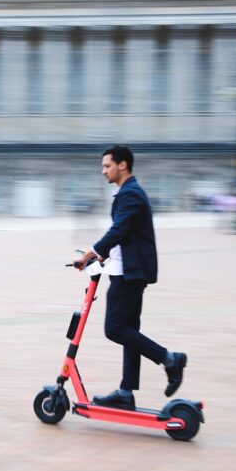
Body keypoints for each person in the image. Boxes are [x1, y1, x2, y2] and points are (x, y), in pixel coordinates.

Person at [74, 145, 187, 410]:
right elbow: (124, 234)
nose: (103, 171)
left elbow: (118, 230)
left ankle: (170, 359)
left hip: (129, 274)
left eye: (107, 166)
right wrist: (101, 257)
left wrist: (90, 254)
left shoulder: (131, 194)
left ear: (122, 165)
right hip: (128, 271)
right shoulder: (127, 192)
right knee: (129, 331)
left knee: (114, 329)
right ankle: (126, 392)